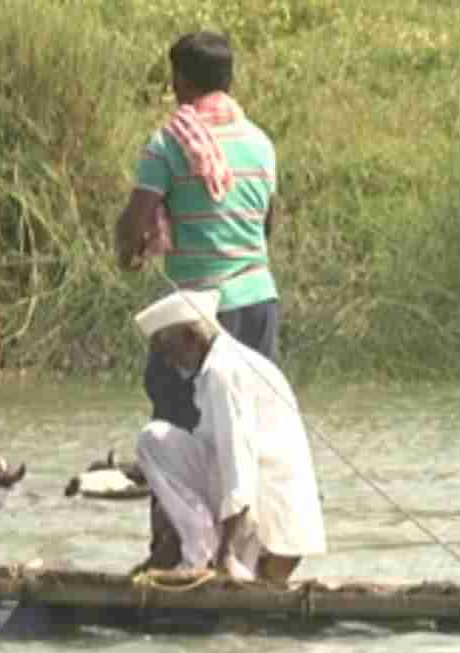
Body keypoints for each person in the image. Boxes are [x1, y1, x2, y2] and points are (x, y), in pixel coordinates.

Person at [115, 31, 280, 434]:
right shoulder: (260, 143)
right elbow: (267, 224)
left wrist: (129, 250)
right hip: (259, 305)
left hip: (199, 315)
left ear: (182, 82)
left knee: (178, 423)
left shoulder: (168, 145)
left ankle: (180, 500)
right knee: (246, 427)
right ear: (229, 81)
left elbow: (134, 225)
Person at [130, 289, 325, 584]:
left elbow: (239, 466)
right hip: (261, 509)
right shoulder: (218, 366)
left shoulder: (224, 372)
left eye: (169, 351)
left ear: (190, 338)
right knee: (155, 440)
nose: (169, 362)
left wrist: (225, 555)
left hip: (271, 521)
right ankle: (201, 551)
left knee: (155, 439)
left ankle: (207, 558)